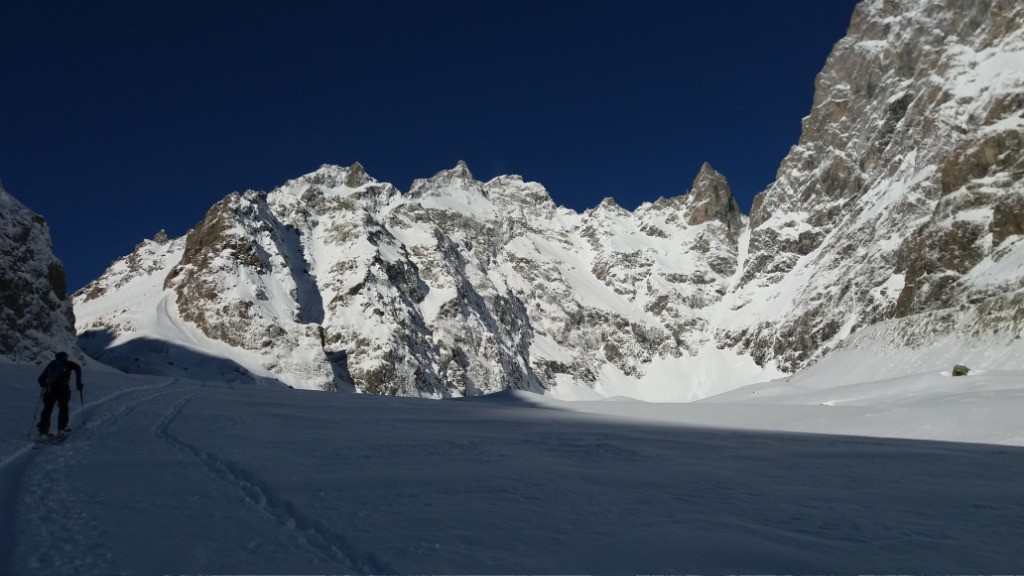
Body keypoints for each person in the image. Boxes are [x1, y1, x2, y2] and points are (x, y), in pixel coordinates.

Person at [36, 351, 83, 439]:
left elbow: (40, 379)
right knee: (63, 408)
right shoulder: (68, 364)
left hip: (50, 391)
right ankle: (61, 429)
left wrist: (45, 385)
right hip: (63, 390)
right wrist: (78, 383)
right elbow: (78, 368)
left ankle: (43, 433)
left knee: (47, 410)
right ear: (65, 357)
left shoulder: (51, 364)